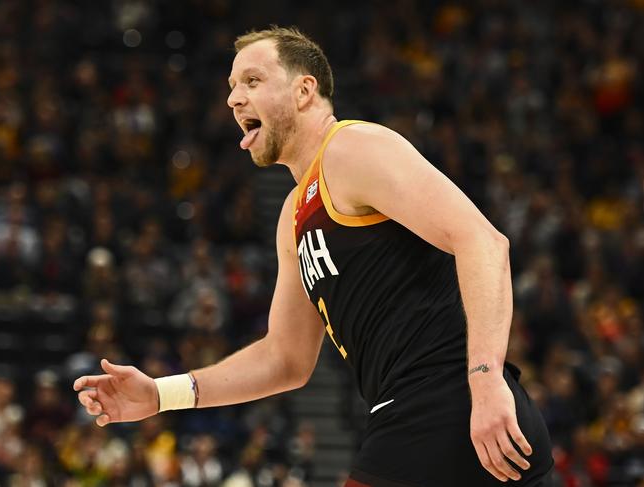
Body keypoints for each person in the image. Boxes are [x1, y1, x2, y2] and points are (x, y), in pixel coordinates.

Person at [74, 26, 554, 486]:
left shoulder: (352, 147)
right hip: (439, 421)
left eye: (253, 81)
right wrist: (162, 395)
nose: (233, 98)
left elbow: (484, 242)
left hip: (446, 401)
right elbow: (285, 359)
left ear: (304, 91)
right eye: (231, 86)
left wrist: (486, 379)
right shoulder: (294, 215)